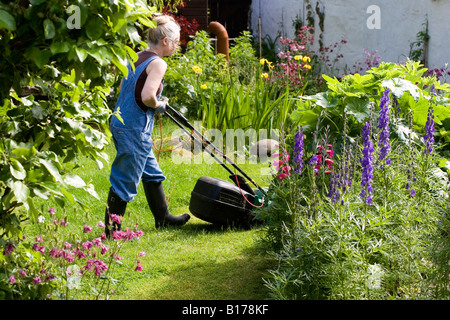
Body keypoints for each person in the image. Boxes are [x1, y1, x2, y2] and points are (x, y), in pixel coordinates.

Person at [104, 15, 190, 237]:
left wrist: (154, 101)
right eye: (176, 41)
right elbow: (147, 96)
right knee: (125, 178)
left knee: (151, 172)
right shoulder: (159, 63)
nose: (177, 46)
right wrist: (159, 104)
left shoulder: (137, 56)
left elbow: (125, 86)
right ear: (165, 41)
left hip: (121, 121)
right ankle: (112, 232)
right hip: (134, 128)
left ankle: (164, 218)